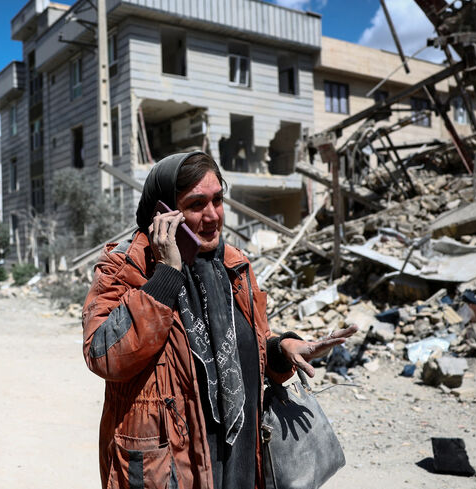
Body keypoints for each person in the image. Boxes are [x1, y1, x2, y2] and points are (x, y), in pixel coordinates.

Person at [82, 151, 357, 489]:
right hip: (171, 468)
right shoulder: (125, 267)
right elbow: (103, 355)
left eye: (218, 200)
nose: (213, 216)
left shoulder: (233, 266)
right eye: (197, 204)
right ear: (162, 212)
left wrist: (281, 349)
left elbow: (248, 347)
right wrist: (167, 274)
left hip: (240, 462)